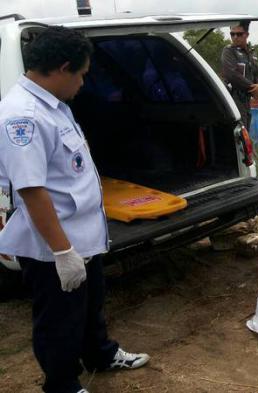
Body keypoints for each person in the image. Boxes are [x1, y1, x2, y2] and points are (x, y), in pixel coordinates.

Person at [0, 27, 149, 393]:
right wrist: (63, 252)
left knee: (90, 304)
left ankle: (100, 353)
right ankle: (62, 383)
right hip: (55, 244)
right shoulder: (24, 116)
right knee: (59, 319)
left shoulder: (55, 105)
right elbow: (32, 191)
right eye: (81, 74)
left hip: (82, 235)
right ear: (63, 68)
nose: (83, 83)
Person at [221, 21, 258, 131]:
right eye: (232, 34)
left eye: (239, 34)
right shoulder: (228, 51)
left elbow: (257, 73)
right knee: (239, 133)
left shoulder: (252, 53)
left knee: (245, 132)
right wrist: (252, 88)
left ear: (247, 34)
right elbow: (232, 75)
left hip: (246, 101)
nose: (235, 37)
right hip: (233, 99)